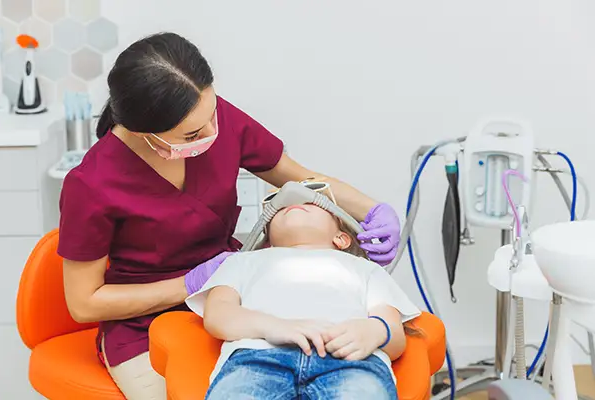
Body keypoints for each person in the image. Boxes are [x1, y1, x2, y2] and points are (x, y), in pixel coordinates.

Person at [57, 32, 401, 400]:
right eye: (192, 134)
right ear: (146, 134)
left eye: (213, 113)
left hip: (238, 298)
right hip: (145, 327)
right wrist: (188, 284)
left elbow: (295, 174)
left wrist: (372, 210)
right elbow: (84, 303)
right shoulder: (91, 184)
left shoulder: (210, 115)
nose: (212, 133)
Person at [186, 202, 421, 399]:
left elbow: (395, 335)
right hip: (257, 357)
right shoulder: (243, 262)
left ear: (341, 238)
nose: (293, 202)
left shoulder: (365, 269)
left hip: (350, 361)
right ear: (268, 239)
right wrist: (274, 326)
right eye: (280, 205)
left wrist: (375, 330)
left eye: (312, 201)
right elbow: (218, 315)